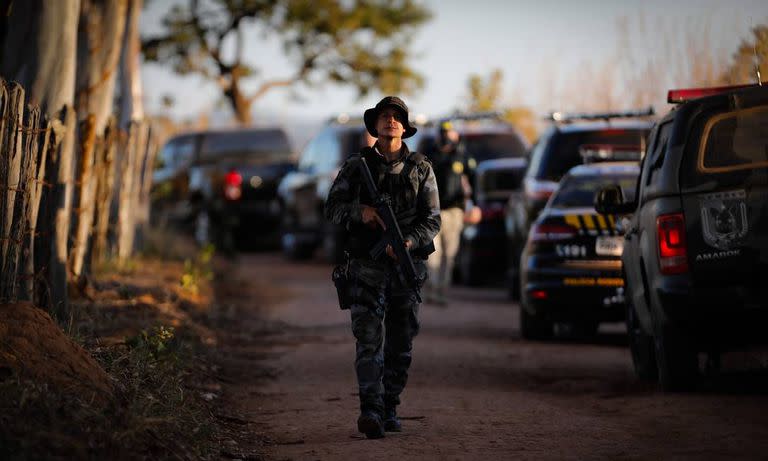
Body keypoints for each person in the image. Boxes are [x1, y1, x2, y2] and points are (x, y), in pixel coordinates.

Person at [325, 96, 441, 439]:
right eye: (384, 117)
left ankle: (390, 405)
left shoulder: (421, 168)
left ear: (405, 128)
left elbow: (432, 220)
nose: (390, 121)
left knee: (401, 344)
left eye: (396, 117)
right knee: (368, 339)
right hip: (365, 267)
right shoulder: (356, 165)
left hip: (406, 268)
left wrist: (407, 241)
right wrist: (361, 212)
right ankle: (370, 409)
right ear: (374, 126)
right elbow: (332, 207)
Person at [425, 121, 471, 305]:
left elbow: (471, 179)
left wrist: (472, 205)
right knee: (432, 254)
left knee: (450, 253)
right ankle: (432, 290)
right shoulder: (430, 155)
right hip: (432, 211)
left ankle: (443, 290)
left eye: (449, 133)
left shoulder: (460, 156)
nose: (446, 137)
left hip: (454, 211)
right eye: (443, 133)